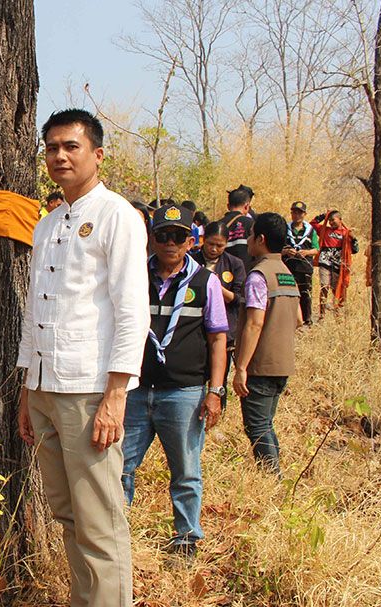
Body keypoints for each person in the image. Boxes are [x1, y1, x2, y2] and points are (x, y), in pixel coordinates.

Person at [16, 109, 149, 607]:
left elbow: (132, 310)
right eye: (51, 147)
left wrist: (116, 394)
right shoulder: (47, 225)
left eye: (71, 146)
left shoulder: (117, 216)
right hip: (48, 387)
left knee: (100, 519)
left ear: (97, 154)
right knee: (68, 513)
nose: (59, 156)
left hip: (90, 388)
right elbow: (36, 312)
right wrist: (29, 392)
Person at [122, 203, 228, 559]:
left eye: (178, 236)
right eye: (163, 236)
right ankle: (116, 530)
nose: (170, 243)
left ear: (190, 240)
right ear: (152, 239)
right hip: (135, 391)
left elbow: (217, 339)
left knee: (185, 470)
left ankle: (186, 538)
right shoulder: (134, 276)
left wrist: (214, 391)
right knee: (119, 465)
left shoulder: (206, 282)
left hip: (184, 393)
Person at [232, 212, 301, 475]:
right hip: (283, 363)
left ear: (260, 239)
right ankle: (275, 474)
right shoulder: (286, 274)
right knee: (266, 423)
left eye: (251, 235)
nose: (248, 240)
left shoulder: (258, 275)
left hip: (260, 366)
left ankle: (272, 478)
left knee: (257, 426)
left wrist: (241, 368)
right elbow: (298, 319)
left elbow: (254, 323)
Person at [193, 221, 246, 411]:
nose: (214, 249)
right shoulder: (191, 260)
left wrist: (216, 287)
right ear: (203, 240)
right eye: (210, 244)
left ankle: (218, 409)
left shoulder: (235, 264)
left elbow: (240, 299)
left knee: (219, 374)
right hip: (194, 328)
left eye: (220, 245)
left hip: (223, 330)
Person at [311, 209, 357, 317]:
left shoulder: (346, 233)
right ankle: (322, 314)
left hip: (338, 263)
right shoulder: (324, 230)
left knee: (336, 288)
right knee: (324, 286)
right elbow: (312, 224)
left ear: (340, 220)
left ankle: (338, 313)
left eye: (333, 220)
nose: (331, 222)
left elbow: (354, 250)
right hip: (325, 261)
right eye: (329, 220)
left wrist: (353, 239)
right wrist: (324, 215)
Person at [283, 201, 318, 325]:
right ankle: (290, 319)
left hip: (305, 267)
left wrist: (306, 253)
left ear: (304, 214)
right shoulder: (285, 228)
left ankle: (306, 320)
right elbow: (277, 248)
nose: (297, 215)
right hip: (288, 267)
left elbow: (316, 249)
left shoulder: (310, 231)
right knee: (288, 293)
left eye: (300, 213)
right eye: (294, 212)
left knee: (305, 294)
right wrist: (286, 251)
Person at [220, 185, 255, 270]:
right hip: (245, 275)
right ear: (247, 206)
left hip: (223, 275)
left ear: (228, 206)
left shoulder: (218, 225)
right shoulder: (251, 224)